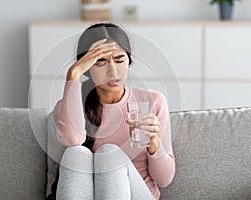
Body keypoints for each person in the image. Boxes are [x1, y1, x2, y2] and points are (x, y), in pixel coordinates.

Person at [50, 23, 175, 200]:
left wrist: (154, 145)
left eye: (119, 60)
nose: (113, 71)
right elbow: (73, 140)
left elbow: (165, 179)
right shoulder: (68, 107)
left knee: (109, 153)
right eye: (100, 62)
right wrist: (73, 73)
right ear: (87, 67)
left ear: (129, 60)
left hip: (138, 194)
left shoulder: (153, 102)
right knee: (75, 153)